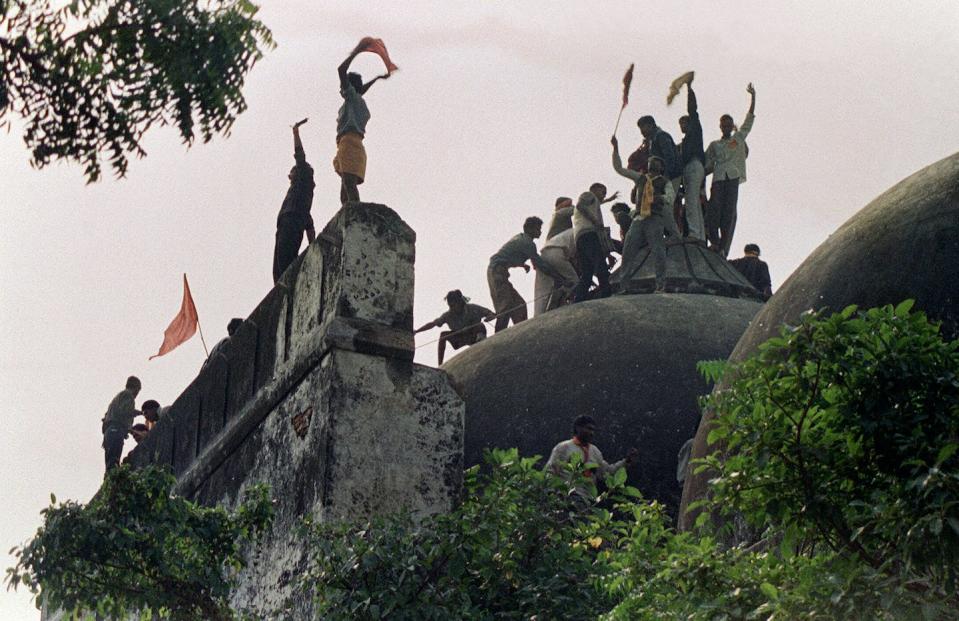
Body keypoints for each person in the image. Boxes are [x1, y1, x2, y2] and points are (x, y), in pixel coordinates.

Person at [612, 138, 679, 292]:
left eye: (656, 162)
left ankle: (660, 284)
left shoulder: (664, 182)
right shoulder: (641, 178)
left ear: (661, 167)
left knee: (658, 251)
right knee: (628, 250)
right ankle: (624, 285)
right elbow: (619, 169)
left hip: (654, 218)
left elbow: (670, 198)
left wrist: (658, 198)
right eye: (650, 161)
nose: (652, 163)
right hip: (639, 218)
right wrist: (616, 149)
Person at [487, 217, 571, 332]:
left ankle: (522, 332)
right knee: (505, 306)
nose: (540, 232)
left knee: (519, 306)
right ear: (530, 229)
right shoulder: (527, 243)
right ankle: (498, 337)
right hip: (496, 272)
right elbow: (541, 264)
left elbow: (510, 255)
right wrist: (560, 278)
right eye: (538, 229)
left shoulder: (521, 239)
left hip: (500, 272)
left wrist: (522, 264)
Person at [334, 41, 391, 205]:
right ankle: (349, 213)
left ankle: (356, 214)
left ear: (349, 86)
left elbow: (340, 70)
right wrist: (377, 78)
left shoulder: (352, 98)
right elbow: (361, 90)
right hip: (352, 145)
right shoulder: (357, 102)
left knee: (349, 185)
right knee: (345, 188)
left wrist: (357, 51)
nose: (340, 88)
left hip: (349, 144)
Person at [705, 83, 757, 256]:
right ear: (720, 126)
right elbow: (705, 163)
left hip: (732, 178)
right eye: (723, 125)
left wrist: (753, 98)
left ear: (731, 126)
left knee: (729, 213)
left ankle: (723, 248)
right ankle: (714, 241)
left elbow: (748, 122)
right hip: (718, 178)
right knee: (714, 210)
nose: (726, 127)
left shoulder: (736, 140)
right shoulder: (714, 145)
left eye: (729, 125)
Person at [273, 119, 316, 283]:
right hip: (286, 223)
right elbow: (309, 223)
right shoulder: (300, 194)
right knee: (278, 270)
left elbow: (300, 155)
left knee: (285, 264)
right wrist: (313, 244)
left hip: (291, 223)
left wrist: (296, 133)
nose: (289, 175)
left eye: (291, 172)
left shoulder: (303, 179)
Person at [545, 415, 638, 491]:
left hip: (587, 501)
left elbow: (607, 473)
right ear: (578, 428)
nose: (591, 433)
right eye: (588, 429)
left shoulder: (595, 451)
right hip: (565, 497)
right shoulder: (563, 447)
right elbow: (550, 472)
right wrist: (551, 493)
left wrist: (626, 461)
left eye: (593, 430)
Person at [414, 290, 494, 364]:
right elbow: (433, 324)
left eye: (453, 305)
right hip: (460, 338)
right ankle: (440, 364)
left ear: (460, 302)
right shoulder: (448, 315)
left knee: (480, 326)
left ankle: (482, 346)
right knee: (443, 335)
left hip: (474, 335)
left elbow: (490, 313)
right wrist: (417, 331)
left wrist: (490, 317)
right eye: (450, 305)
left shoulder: (472, 308)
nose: (451, 308)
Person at [571, 184, 618, 302]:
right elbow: (580, 205)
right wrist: (595, 220)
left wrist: (609, 199)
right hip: (589, 234)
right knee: (599, 262)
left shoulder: (593, 201)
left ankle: (579, 297)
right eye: (603, 192)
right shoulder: (589, 195)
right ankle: (606, 291)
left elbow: (594, 203)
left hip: (580, 237)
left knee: (587, 271)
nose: (604, 195)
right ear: (595, 190)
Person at [676, 74, 706, 241]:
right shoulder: (685, 141)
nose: (682, 126)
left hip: (694, 165)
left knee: (691, 201)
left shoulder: (695, 131)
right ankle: (699, 235)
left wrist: (689, 89)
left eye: (684, 123)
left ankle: (694, 233)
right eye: (681, 124)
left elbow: (693, 110)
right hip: (692, 167)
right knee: (694, 202)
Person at [534, 226, 579, 315]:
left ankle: (540, 315)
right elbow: (578, 260)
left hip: (544, 254)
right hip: (557, 252)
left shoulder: (571, 231)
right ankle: (564, 303)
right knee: (574, 281)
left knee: (542, 292)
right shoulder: (583, 232)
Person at [101, 376, 141, 473]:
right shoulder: (128, 395)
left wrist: (130, 430)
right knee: (113, 464)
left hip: (109, 432)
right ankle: (113, 482)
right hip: (115, 431)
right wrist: (139, 412)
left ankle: (110, 482)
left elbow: (109, 417)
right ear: (136, 388)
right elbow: (124, 411)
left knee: (110, 462)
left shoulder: (118, 398)